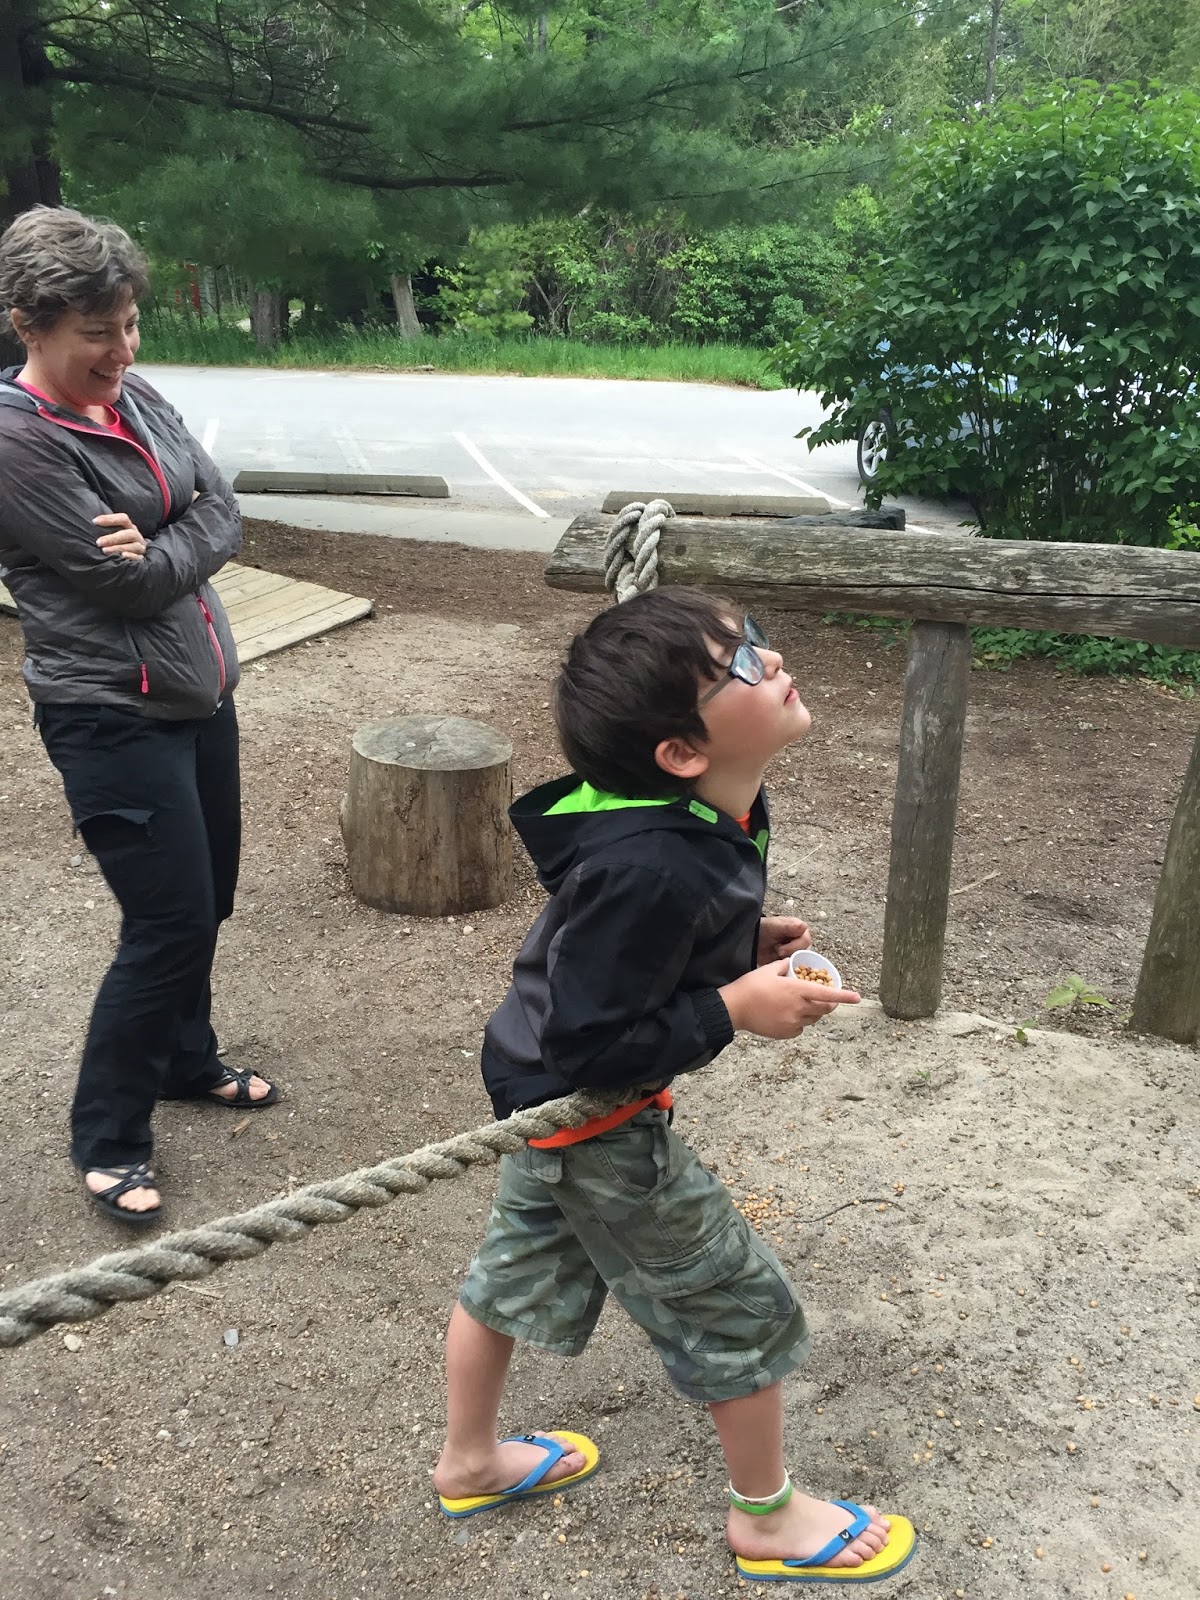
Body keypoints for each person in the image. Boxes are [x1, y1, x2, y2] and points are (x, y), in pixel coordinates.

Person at [432, 588, 916, 1584]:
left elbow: (640, 953)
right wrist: (734, 1004)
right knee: (735, 1301)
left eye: (756, 641)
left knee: (513, 1273)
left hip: (542, 1097)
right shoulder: (650, 866)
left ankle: (469, 1460)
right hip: (589, 1114)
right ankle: (768, 1520)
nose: (770, 661)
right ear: (682, 753)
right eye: (738, 664)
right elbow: (593, 1040)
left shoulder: (710, 812)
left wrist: (737, 945)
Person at [0, 205, 277, 1228]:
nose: (122, 350)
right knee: (166, 919)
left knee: (208, 898)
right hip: (110, 714)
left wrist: (166, 540)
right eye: (97, 332)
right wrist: (181, 537)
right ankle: (108, 1133)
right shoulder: (15, 441)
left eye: (128, 324)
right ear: (29, 325)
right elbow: (120, 584)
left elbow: (225, 509)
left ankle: (184, 1059)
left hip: (200, 692)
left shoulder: (134, 393)